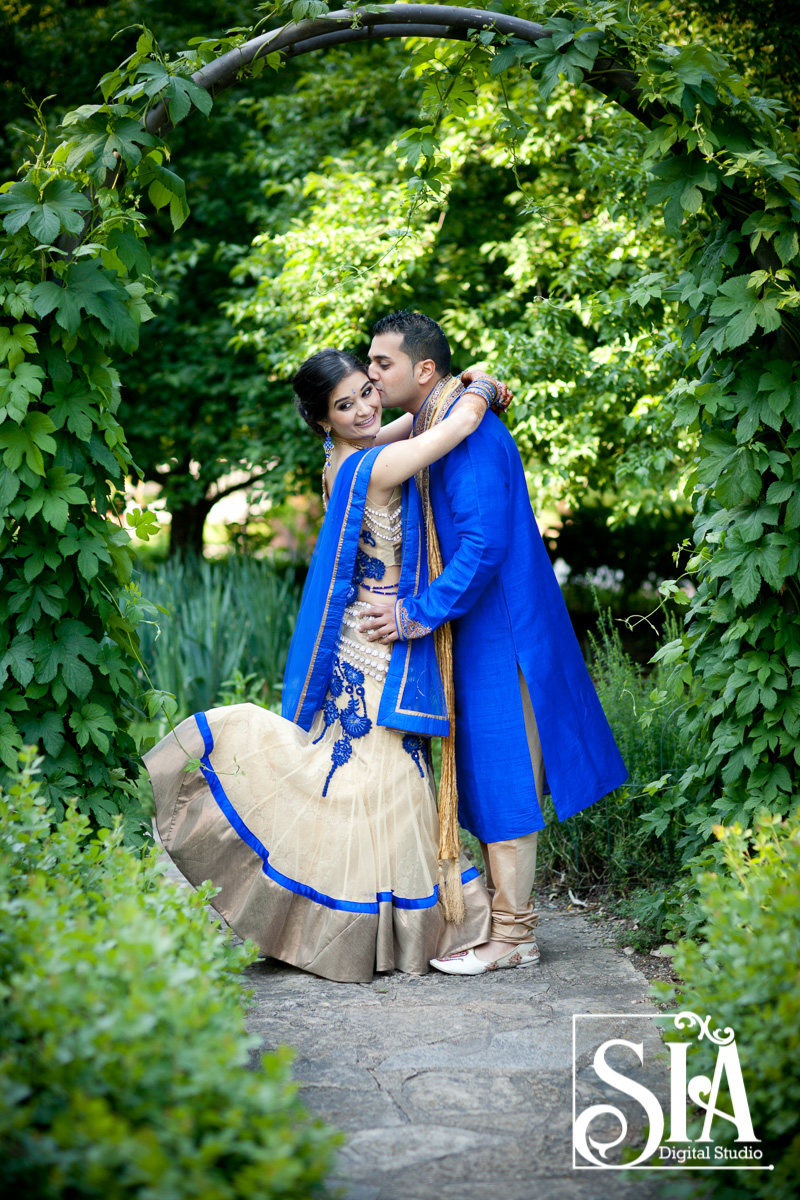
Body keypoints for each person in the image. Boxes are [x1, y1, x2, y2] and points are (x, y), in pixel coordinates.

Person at [144, 348, 505, 984]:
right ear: (322, 420)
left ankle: (344, 926)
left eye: (369, 390)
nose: (367, 408)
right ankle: (383, 931)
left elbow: (414, 424)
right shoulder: (369, 466)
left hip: (363, 639)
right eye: (346, 405)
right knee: (385, 782)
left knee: (370, 783)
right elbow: (449, 429)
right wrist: (481, 389)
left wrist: (456, 390)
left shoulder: (354, 454)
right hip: (376, 643)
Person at [359, 311, 628, 975]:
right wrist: (484, 386)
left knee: (505, 776)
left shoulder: (469, 439)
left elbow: (483, 545)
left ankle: (513, 937)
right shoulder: (442, 418)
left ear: (424, 370)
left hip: (501, 629)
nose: (370, 374)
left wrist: (418, 612)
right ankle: (504, 926)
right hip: (478, 626)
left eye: (381, 363)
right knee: (484, 775)